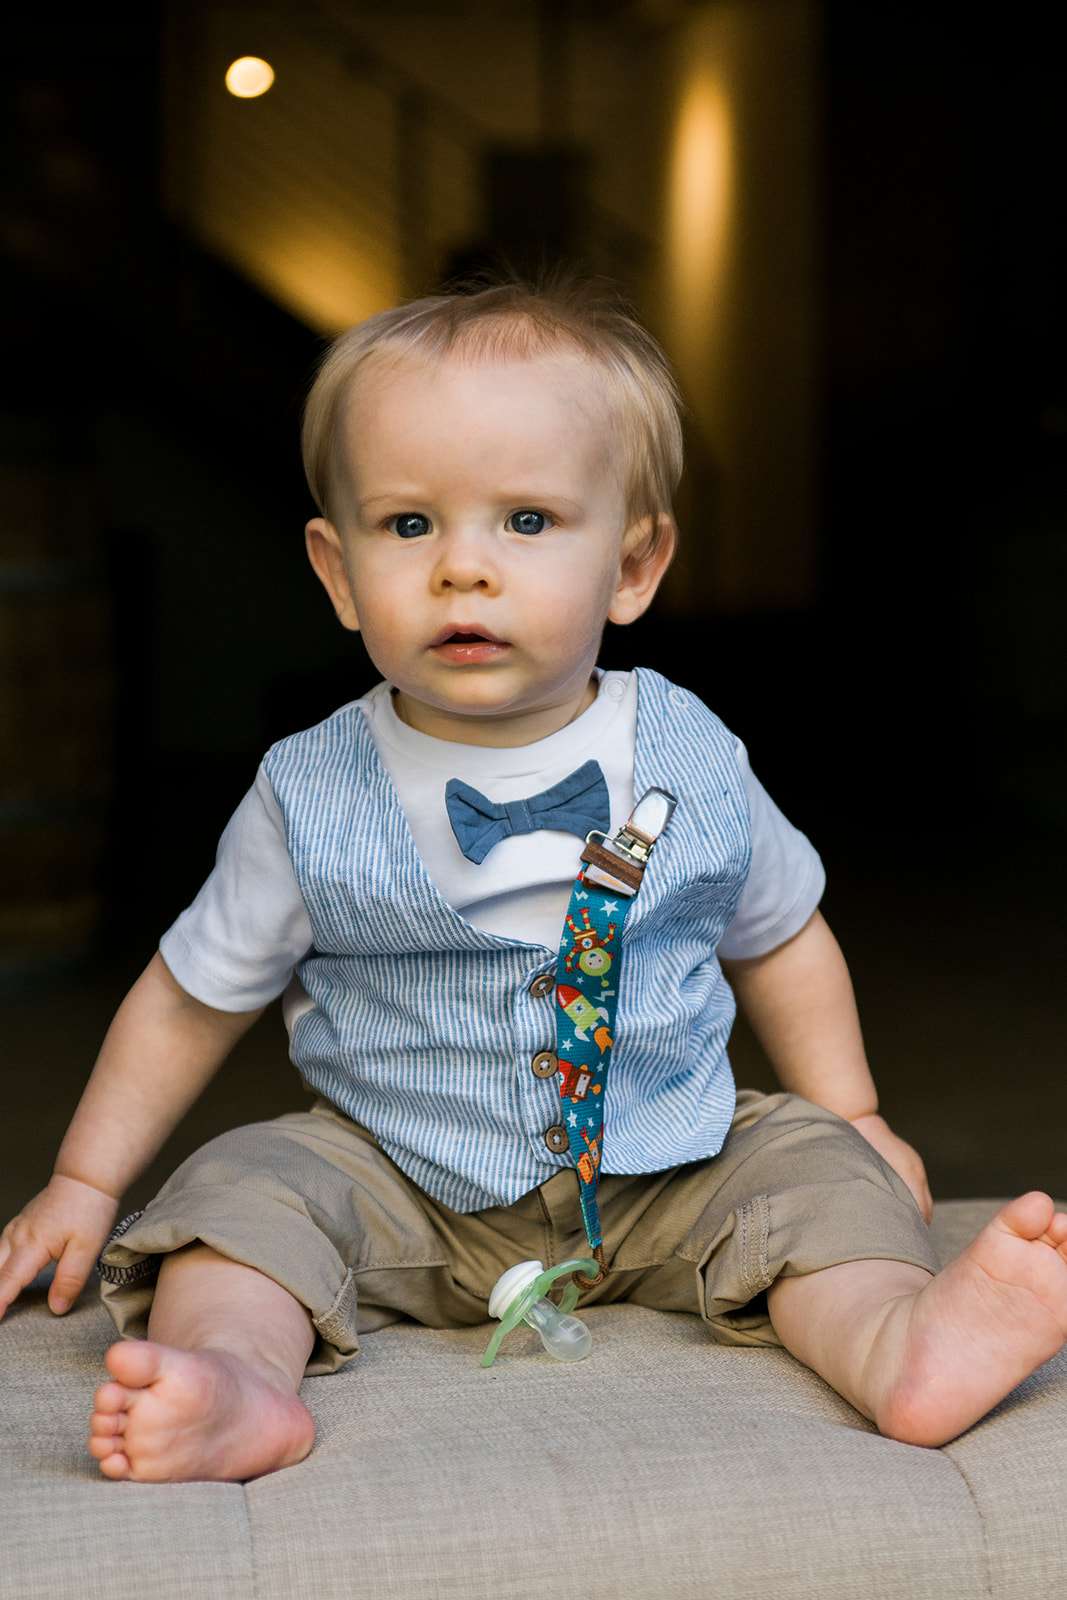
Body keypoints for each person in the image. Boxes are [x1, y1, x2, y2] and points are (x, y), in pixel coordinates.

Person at [2, 268, 1065, 1486]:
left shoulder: (690, 749)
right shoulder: (307, 789)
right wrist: (85, 1177)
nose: (462, 567)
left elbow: (779, 934)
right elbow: (190, 994)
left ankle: (898, 1343)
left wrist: (856, 1113)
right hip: (397, 1173)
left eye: (525, 521)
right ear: (337, 572)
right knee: (240, 1194)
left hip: (675, 1160)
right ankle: (236, 1382)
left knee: (813, 1170)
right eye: (408, 525)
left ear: (632, 564)